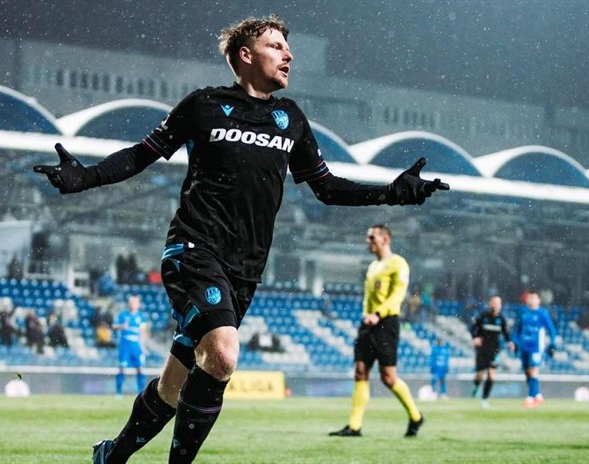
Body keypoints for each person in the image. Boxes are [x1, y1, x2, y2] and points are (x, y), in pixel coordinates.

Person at [34, 14, 448, 464]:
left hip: (245, 270)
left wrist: (392, 192)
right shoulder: (204, 105)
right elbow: (141, 154)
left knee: (173, 386)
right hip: (194, 250)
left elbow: (327, 187)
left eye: (287, 47)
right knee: (223, 356)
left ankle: (111, 456)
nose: (288, 55)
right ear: (245, 55)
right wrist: (86, 177)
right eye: (276, 46)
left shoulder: (290, 119)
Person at [329, 224, 424, 438]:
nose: (368, 241)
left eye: (372, 237)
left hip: (386, 323)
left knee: (388, 378)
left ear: (385, 239)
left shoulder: (398, 263)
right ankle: (354, 426)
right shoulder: (373, 266)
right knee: (360, 371)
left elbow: (397, 296)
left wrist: (378, 314)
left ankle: (416, 416)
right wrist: (366, 317)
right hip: (368, 323)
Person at [512, 289, 557, 408]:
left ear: (538, 300)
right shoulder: (523, 312)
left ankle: (530, 397)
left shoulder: (542, 313)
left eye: (534, 298)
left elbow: (552, 330)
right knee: (527, 372)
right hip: (524, 346)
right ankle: (537, 395)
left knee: (533, 370)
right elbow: (516, 329)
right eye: (529, 298)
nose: (531, 300)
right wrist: (514, 341)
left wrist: (552, 344)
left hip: (536, 347)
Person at [469, 295, 514, 408]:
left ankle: (484, 398)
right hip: (482, 349)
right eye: (494, 302)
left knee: (491, 374)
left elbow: (506, 333)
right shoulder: (482, 316)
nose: (496, 305)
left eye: (498, 303)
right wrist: (475, 337)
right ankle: (476, 385)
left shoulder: (501, 319)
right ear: (490, 303)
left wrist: (510, 342)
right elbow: (472, 327)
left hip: (494, 350)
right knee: (479, 374)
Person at [113, 294, 149, 398]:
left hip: (136, 346)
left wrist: (143, 346)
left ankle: (141, 393)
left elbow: (143, 332)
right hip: (125, 345)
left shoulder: (141, 317)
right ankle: (118, 392)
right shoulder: (123, 315)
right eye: (131, 302)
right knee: (122, 368)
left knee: (139, 368)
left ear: (138, 304)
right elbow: (114, 326)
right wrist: (121, 326)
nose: (133, 304)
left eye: (135, 302)